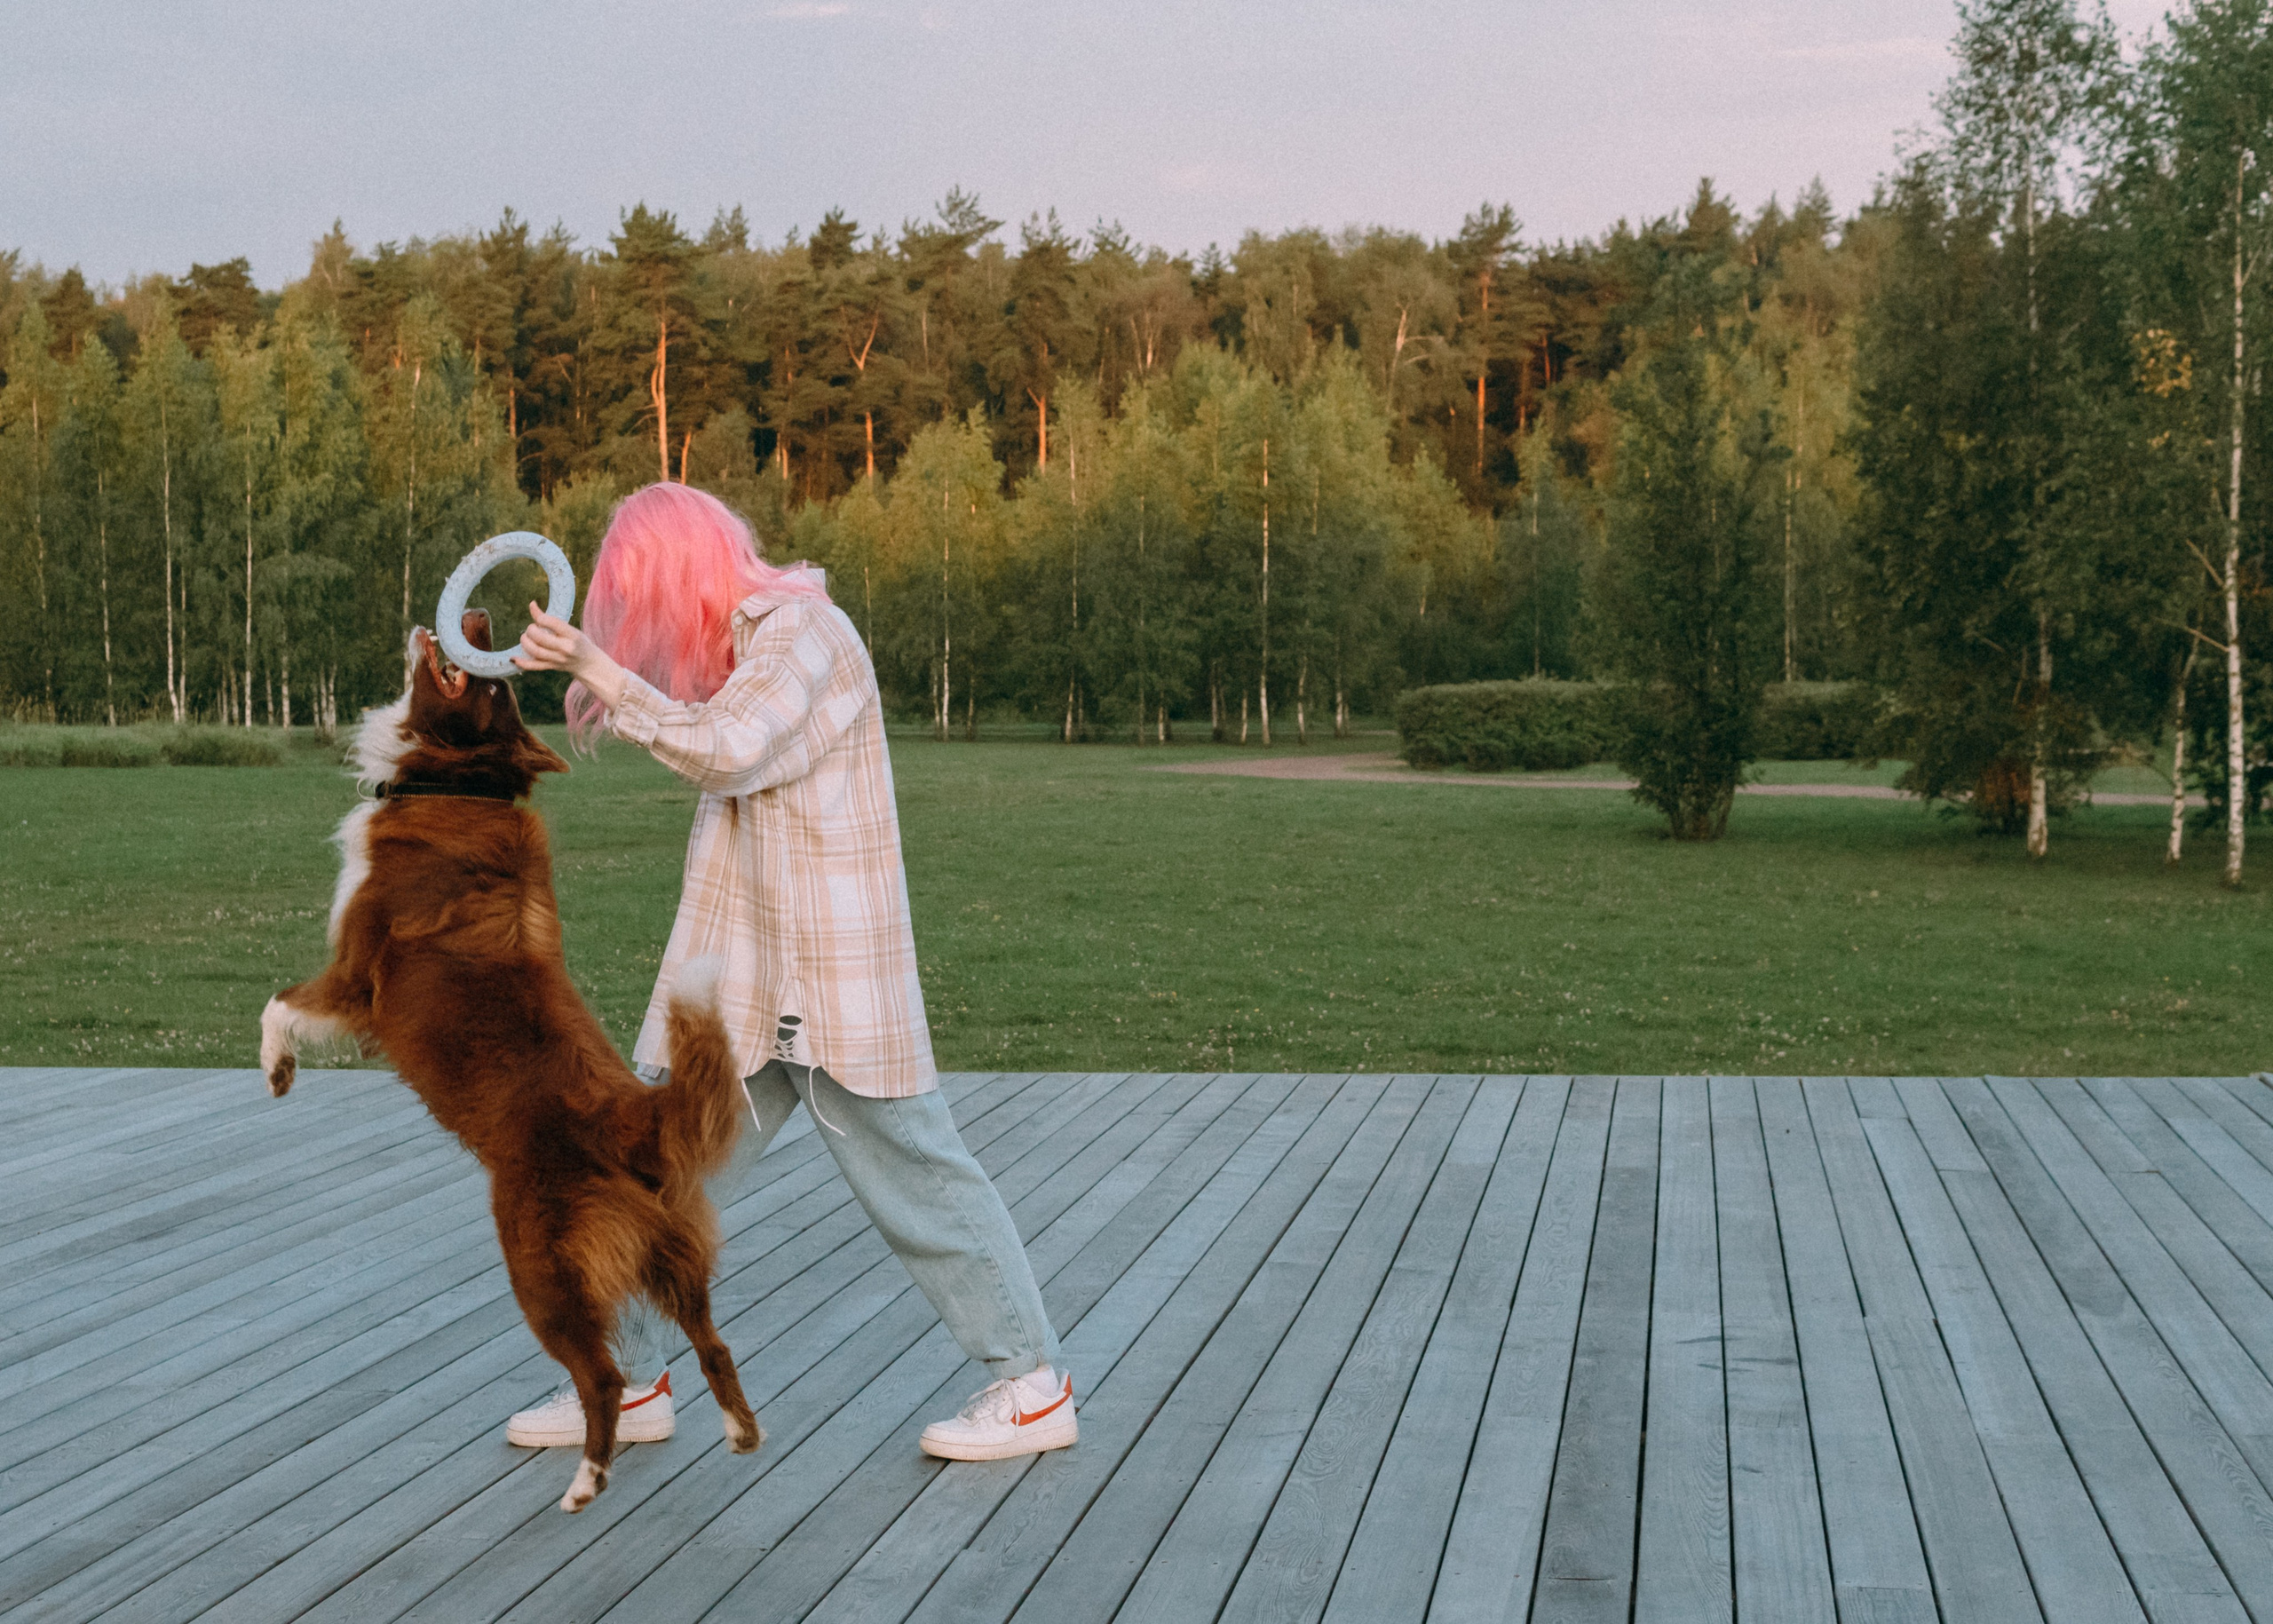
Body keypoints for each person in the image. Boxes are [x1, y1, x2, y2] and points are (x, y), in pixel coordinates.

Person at [503, 481, 1073, 1463]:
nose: (636, 625)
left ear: (681, 573)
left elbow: (727, 751)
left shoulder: (806, 633)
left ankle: (1032, 1383)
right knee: (652, 1176)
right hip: (751, 996)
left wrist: (600, 667)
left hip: (833, 986)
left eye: (639, 599)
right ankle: (628, 1382)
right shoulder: (757, 650)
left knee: (921, 1178)